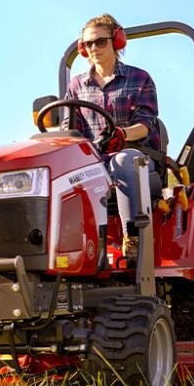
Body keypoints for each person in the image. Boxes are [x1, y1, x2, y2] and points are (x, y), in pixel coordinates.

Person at [62, 13, 160, 261]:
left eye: (100, 41)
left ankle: (133, 238)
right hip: (94, 162)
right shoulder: (76, 86)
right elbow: (69, 129)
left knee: (123, 160)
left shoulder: (139, 78)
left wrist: (122, 134)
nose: (94, 48)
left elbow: (146, 124)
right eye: (88, 43)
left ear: (116, 41)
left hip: (137, 160)